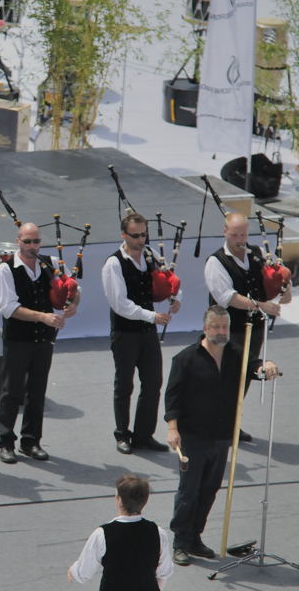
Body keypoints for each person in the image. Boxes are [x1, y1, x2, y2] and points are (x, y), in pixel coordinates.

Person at [164, 305, 279, 565]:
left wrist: (266, 364)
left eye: (224, 327)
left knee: (210, 489)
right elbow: (173, 397)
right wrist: (172, 428)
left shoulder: (235, 353)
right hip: (193, 435)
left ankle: (195, 537)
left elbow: (253, 366)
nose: (221, 331)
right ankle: (181, 541)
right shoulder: (185, 359)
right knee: (189, 490)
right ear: (205, 328)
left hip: (222, 435)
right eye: (216, 327)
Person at [0, 222, 79, 464]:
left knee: (37, 391)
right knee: (11, 391)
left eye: (36, 241)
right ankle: (6, 441)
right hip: (18, 339)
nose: (32, 246)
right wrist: (43, 317)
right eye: (27, 241)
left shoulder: (51, 264)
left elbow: (74, 288)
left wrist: (73, 304)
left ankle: (31, 441)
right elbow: (9, 308)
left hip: (44, 338)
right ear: (18, 241)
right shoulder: (6, 270)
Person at [203, 212, 291, 442]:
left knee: (244, 376)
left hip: (254, 327)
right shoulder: (216, 262)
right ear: (225, 232)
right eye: (235, 235)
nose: (240, 240)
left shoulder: (257, 253)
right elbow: (227, 297)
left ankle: (231, 423)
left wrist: (285, 286)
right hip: (228, 330)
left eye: (243, 234)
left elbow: (273, 281)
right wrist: (262, 306)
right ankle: (215, 424)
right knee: (225, 377)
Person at [101, 213, 178, 455]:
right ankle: (122, 434)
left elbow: (169, 280)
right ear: (124, 235)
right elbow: (120, 304)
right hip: (125, 333)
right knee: (124, 384)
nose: (141, 240)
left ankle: (144, 435)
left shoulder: (150, 255)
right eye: (135, 235)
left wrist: (175, 298)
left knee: (153, 382)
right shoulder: (114, 263)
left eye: (144, 234)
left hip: (147, 332)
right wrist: (152, 316)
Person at [67, 473, 174, 590]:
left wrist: (73, 572)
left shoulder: (103, 533)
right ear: (145, 501)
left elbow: (83, 573)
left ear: (119, 500)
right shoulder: (157, 533)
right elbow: (164, 572)